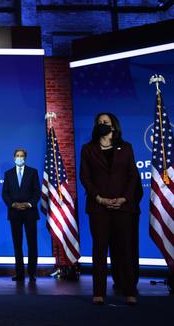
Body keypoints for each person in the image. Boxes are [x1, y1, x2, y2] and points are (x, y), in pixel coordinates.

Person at [80, 112, 140, 305]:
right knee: (99, 250)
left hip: (123, 207)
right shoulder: (88, 149)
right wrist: (99, 198)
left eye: (105, 122)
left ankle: (130, 291)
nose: (102, 125)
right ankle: (99, 292)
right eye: (99, 123)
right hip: (99, 208)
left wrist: (123, 198)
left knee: (125, 250)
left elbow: (133, 177)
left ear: (114, 126)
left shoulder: (126, 148)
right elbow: (85, 177)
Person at [2, 148, 40, 282]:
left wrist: (28, 204)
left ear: (25, 158)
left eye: (21, 156)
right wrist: (13, 204)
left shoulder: (33, 172)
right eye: (17, 156)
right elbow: (5, 193)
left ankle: (32, 273)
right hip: (14, 213)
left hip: (30, 212)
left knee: (32, 243)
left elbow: (37, 193)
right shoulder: (8, 174)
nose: (19, 158)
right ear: (14, 158)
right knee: (17, 244)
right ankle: (19, 273)